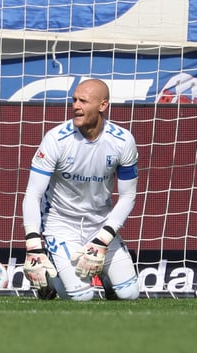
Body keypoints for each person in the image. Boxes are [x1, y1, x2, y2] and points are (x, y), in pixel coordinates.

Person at [21, 78, 141, 301]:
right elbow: (33, 194)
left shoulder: (123, 141)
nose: (75, 106)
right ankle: (48, 279)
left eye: (83, 101)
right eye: (74, 100)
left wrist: (102, 240)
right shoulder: (56, 139)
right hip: (61, 225)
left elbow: (128, 196)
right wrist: (33, 245)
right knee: (81, 297)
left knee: (130, 294)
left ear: (103, 106)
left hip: (100, 224)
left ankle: (107, 278)